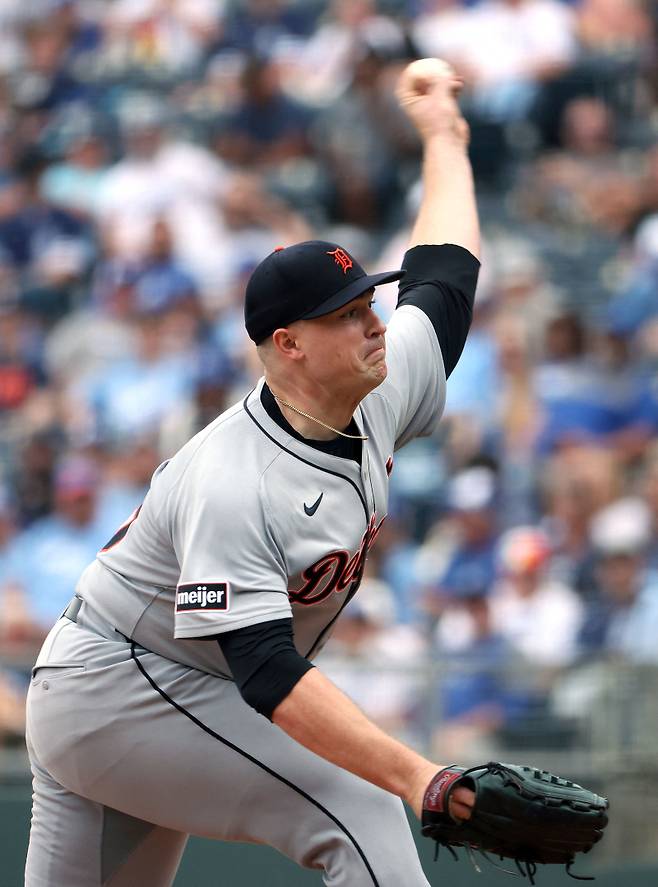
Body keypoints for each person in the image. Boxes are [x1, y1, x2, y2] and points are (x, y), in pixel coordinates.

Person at [25, 58, 480, 886]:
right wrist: (423, 777)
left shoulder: (377, 378)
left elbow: (445, 274)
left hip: (164, 683)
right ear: (289, 346)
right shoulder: (236, 477)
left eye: (370, 304)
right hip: (120, 684)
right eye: (348, 317)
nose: (375, 324)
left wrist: (443, 137)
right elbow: (269, 673)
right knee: (366, 802)